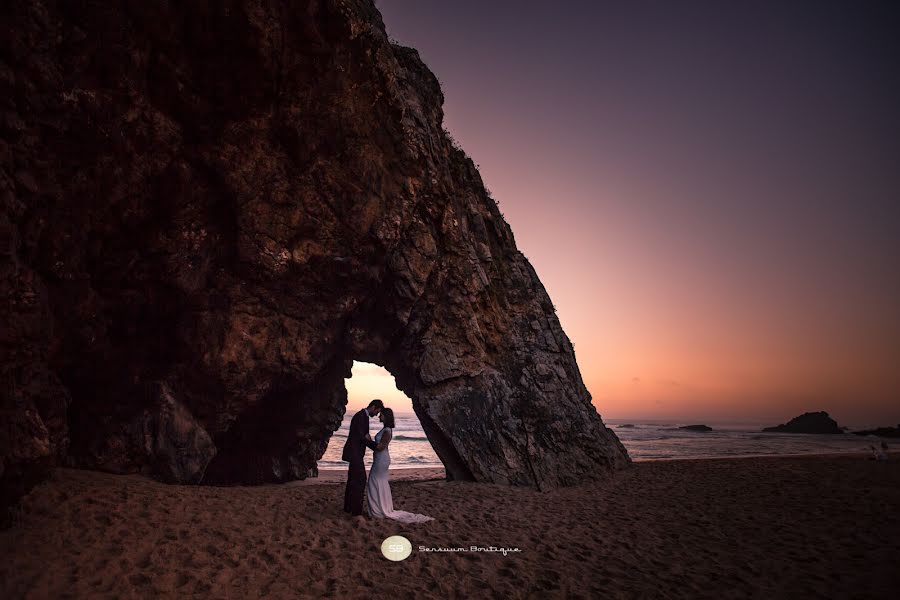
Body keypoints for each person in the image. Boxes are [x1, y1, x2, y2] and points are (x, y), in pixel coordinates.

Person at [366, 408, 434, 523]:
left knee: (374, 480)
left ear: (386, 417)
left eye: (381, 415)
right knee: (379, 482)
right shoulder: (385, 429)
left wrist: (368, 440)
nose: (379, 417)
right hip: (380, 459)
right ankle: (379, 508)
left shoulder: (387, 430)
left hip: (381, 460)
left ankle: (378, 510)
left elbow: (380, 447)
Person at [342, 399, 383, 516]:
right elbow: (362, 437)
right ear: (373, 407)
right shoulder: (361, 416)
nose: (376, 415)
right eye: (377, 412)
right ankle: (356, 510)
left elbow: (364, 436)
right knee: (360, 480)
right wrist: (376, 447)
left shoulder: (362, 416)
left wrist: (368, 440)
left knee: (352, 480)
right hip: (355, 453)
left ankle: (348, 507)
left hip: (356, 453)